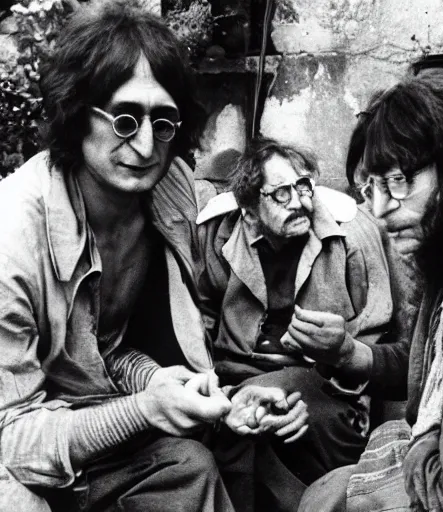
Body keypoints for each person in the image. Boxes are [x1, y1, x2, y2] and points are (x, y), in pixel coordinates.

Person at [0, 3, 292, 511]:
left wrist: (176, 389)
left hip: (81, 417)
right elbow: (11, 441)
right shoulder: (12, 237)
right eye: (125, 117)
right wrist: (144, 408)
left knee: (195, 462)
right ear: (76, 112)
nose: (144, 144)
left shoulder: (168, 192)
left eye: (163, 121)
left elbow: (99, 350)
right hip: (16, 451)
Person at [298, 67, 443, 511]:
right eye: (370, 187)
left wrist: (413, 446)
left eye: (400, 181)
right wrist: (347, 353)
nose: (378, 210)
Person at [196, 137, 393, 508]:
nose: (301, 202)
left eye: (303, 187)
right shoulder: (217, 233)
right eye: (281, 194)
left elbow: (377, 333)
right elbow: (200, 322)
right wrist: (217, 390)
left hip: (327, 382)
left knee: (278, 405)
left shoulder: (351, 234)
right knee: (239, 422)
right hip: (235, 380)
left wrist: (340, 355)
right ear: (251, 211)